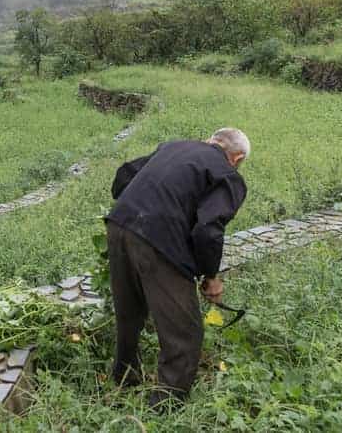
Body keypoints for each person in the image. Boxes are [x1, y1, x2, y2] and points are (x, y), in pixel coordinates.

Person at [105, 127, 250, 409]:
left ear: (211, 140)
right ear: (238, 157)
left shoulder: (172, 147)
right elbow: (208, 231)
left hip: (119, 225)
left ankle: (125, 378)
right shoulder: (227, 174)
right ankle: (165, 406)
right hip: (158, 240)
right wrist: (210, 277)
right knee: (185, 331)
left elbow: (123, 177)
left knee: (130, 312)